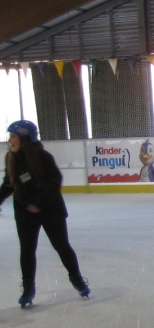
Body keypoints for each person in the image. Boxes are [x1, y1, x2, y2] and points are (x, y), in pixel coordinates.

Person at [0, 120, 90, 308]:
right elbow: (9, 184)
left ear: (25, 138)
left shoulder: (43, 157)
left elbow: (54, 182)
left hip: (50, 210)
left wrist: (38, 204)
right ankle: (28, 289)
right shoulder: (11, 158)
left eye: (13, 136)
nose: (10, 141)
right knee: (27, 249)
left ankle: (77, 279)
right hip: (25, 212)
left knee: (61, 246)